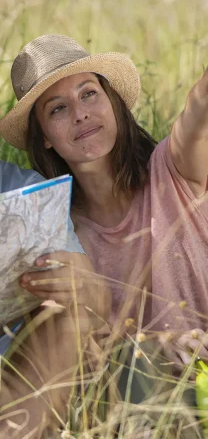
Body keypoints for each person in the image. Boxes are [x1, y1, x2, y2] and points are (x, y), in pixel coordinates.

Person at [0, 18, 208, 380]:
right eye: (58, 108)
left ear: (112, 101)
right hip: (136, 412)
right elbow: (79, 355)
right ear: (44, 136)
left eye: (89, 93)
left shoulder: (172, 174)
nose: (81, 114)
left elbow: (196, 124)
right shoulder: (59, 239)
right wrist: (150, 351)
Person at [0, 161, 110, 437]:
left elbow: (97, 302)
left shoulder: (25, 190)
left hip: (14, 362)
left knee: (73, 315)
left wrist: (79, 285)